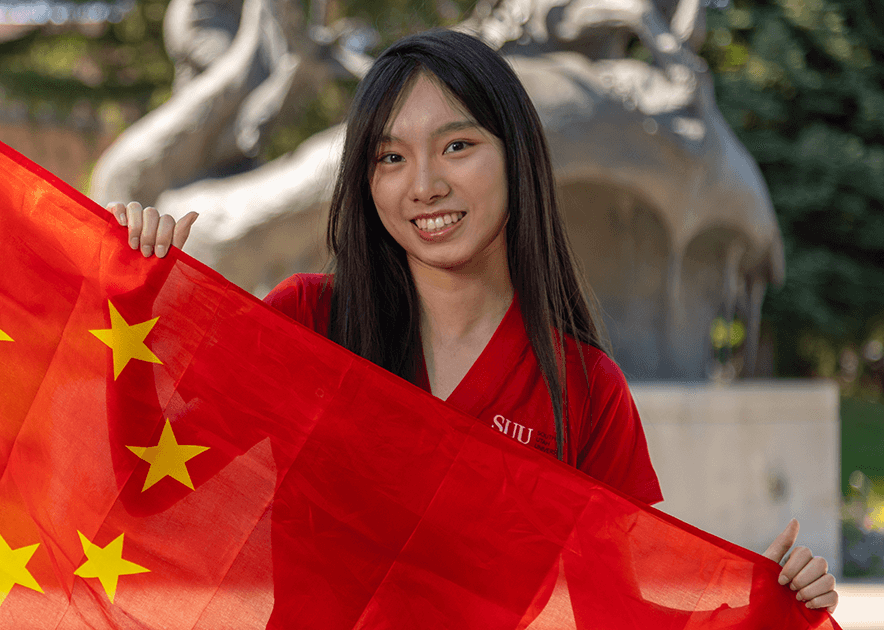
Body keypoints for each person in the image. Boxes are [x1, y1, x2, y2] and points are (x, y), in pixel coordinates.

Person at [104, 29, 838, 612]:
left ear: (517, 157)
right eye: (391, 157)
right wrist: (131, 299)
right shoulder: (308, 323)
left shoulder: (584, 390)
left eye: (457, 146)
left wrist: (757, 609)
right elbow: (149, 489)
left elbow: (614, 612)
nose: (425, 185)